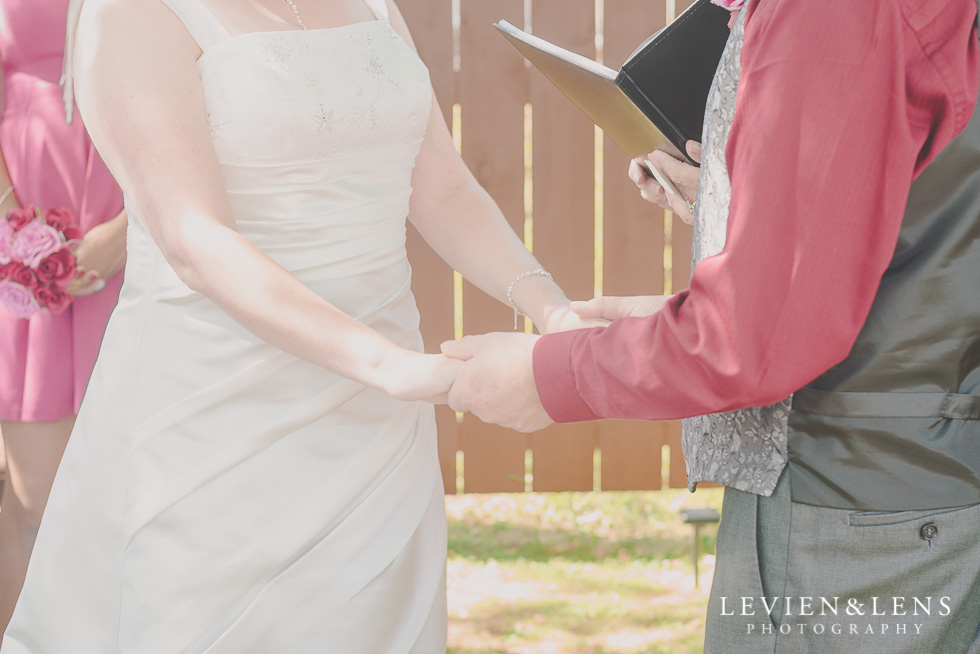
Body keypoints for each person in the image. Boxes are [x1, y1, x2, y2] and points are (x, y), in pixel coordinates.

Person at [1, 0, 597, 651]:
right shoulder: (134, 13)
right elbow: (194, 240)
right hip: (219, 413)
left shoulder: (372, 4)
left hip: (378, 420)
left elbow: (443, 187)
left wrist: (550, 306)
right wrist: (389, 365)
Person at [442, 0, 980, 651]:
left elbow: (753, 341)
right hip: (920, 485)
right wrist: (751, 212)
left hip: (843, 505)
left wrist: (550, 376)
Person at [0, 0, 127, 635]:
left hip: (141, 231)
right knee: (34, 504)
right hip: (19, 236)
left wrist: (128, 232)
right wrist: (14, 228)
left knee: (131, 503)